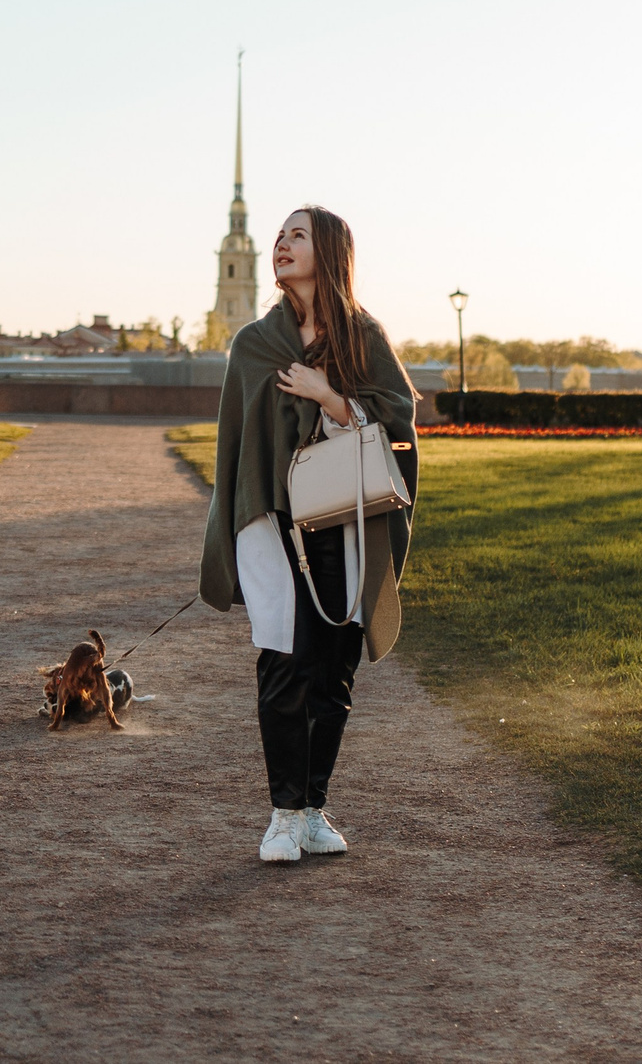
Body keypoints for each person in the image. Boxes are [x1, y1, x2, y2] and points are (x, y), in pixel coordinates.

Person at [199, 205, 420, 864]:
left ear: (328, 250)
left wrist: (331, 397)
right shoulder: (253, 345)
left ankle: (314, 807)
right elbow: (236, 449)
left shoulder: (362, 337)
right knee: (282, 662)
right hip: (271, 524)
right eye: (280, 235)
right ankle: (282, 814)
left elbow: (400, 418)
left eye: (297, 234)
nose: (281, 244)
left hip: (346, 524)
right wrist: (230, 529)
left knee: (334, 669)